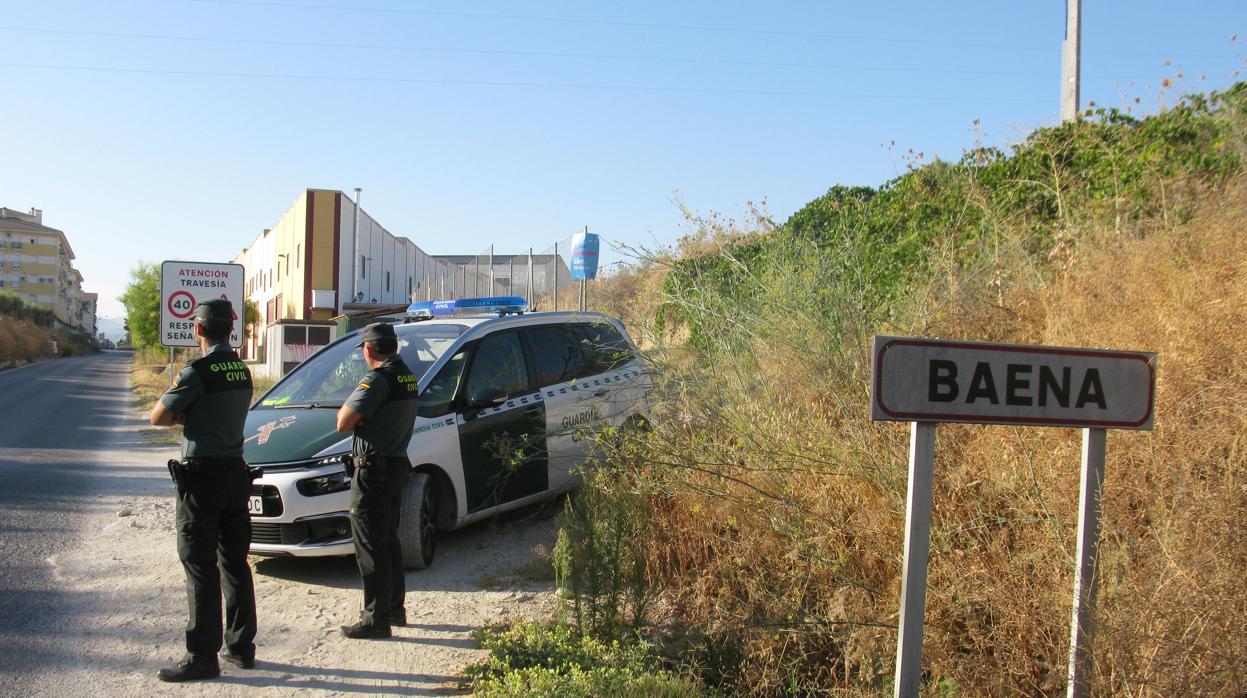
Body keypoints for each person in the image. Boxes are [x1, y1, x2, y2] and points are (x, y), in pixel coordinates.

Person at [149, 299, 257, 682]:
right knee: (235, 562)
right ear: (231, 329)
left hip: (202, 477)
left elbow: (159, 415)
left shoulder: (198, 371)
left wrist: (186, 416)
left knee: (199, 564)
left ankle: (201, 656)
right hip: (235, 474)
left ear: (198, 329)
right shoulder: (242, 371)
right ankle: (242, 648)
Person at [336, 322, 419, 639]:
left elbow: (343, 422)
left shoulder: (378, 379)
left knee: (370, 544)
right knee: (388, 541)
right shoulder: (406, 375)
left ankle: (375, 619)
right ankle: (394, 609)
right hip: (396, 465)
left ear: (369, 349)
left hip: (373, 471)